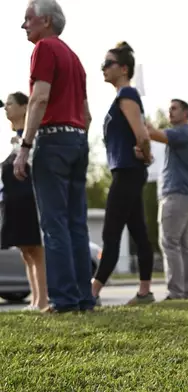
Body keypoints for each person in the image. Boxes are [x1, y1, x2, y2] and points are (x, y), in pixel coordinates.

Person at [14, 0, 95, 313]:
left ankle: (62, 300)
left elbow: (39, 98)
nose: (24, 26)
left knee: (53, 224)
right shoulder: (74, 58)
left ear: (45, 20)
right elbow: (86, 114)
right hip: (77, 140)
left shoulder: (44, 48)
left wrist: (25, 145)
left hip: (53, 140)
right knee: (76, 223)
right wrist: (78, 141)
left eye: (28, 19)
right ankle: (82, 297)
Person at [91, 42, 155, 305]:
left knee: (111, 232)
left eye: (108, 64)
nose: (103, 68)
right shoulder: (122, 95)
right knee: (138, 232)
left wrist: (147, 154)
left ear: (124, 68)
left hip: (128, 171)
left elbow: (142, 134)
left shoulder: (127, 94)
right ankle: (144, 292)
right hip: (127, 170)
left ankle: (92, 292)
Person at [144, 99, 188, 300]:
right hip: (185, 195)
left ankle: (176, 292)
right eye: (169, 109)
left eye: (174, 109)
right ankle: (184, 291)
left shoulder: (182, 133)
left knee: (169, 242)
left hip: (176, 194)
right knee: (183, 244)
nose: (170, 112)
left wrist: (142, 119)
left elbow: (152, 134)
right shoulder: (183, 135)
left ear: (186, 113)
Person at [2, 92, 48, 311]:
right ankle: (34, 300)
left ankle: (42, 300)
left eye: (10, 104)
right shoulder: (12, 141)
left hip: (30, 201)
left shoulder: (31, 137)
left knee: (37, 251)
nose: (6, 108)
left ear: (23, 107)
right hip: (15, 204)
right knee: (26, 252)